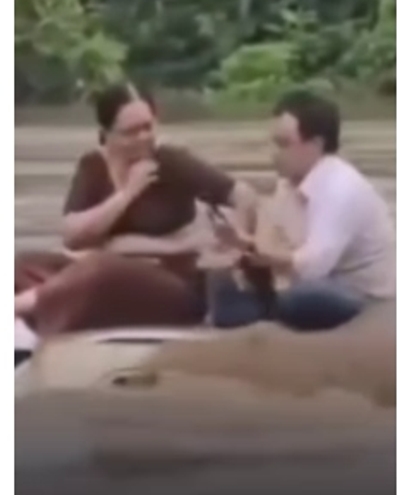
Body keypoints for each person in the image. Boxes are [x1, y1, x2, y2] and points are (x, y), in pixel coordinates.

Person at [14, 82, 258, 342]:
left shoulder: (170, 162)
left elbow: (244, 195)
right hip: (99, 277)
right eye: (130, 132)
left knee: (100, 270)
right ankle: (35, 321)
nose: (143, 138)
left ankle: (19, 310)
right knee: (23, 265)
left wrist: (236, 246)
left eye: (148, 127)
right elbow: (73, 236)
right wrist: (127, 193)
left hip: (171, 284)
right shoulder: (94, 166)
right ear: (107, 135)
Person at [209, 90, 395, 331]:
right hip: (314, 284)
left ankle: (264, 314)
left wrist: (265, 256)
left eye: (284, 144)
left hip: (361, 297)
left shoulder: (340, 188)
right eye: (273, 143)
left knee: (302, 296)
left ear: (316, 144)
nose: (273, 153)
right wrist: (243, 245)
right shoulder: (289, 183)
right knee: (224, 285)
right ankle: (260, 314)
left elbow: (313, 268)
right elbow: (272, 240)